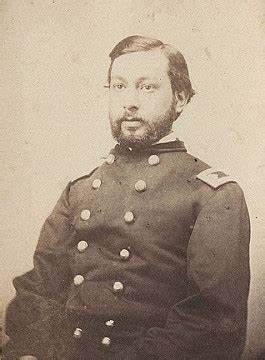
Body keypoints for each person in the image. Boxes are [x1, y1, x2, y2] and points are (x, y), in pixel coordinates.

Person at [3, 35, 250, 360]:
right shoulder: (79, 188)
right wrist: (31, 351)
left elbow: (212, 322)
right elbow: (40, 287)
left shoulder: (213, 196)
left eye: (147, 87)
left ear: (181, 99)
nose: (129, 101)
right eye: (119, 86)